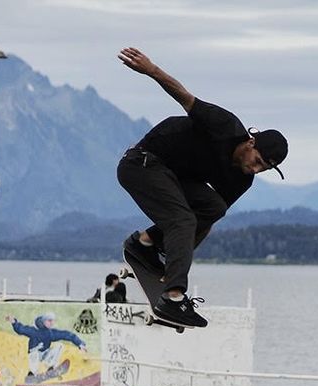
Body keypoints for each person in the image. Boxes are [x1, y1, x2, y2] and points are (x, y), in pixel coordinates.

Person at [116, 46, 288, 328]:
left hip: (173, 177)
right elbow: (184, 97)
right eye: (256, 161)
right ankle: (173, 297)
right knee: (181, 218)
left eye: (263, 169)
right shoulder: (225, 125)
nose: (255, 169)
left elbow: (205, 221)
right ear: (250, 142)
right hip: (142, 163)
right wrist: (151, 69)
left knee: (213, 207)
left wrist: (175, 262)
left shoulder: (242, 179)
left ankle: (145, 244)